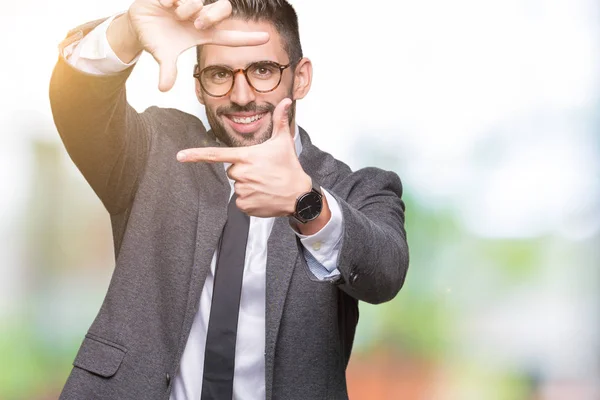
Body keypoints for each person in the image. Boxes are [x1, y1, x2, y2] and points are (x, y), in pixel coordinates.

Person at [49, 0, 410, 399]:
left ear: (301, 77)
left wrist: (305, 202)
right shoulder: (154, 150)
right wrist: (128, 32)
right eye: (220, 73)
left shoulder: (355, 189)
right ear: (198, 84)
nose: (241, 95)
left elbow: (385, 273)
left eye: (262, 70)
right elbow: (79, 104)